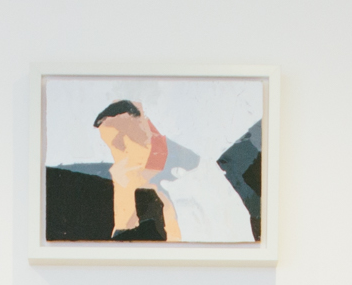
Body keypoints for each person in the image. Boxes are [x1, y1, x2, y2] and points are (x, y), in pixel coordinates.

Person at [90, 98, 253, 244]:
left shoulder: (197, 181)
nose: (118, 156)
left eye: (121, 142)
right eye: (112, 147)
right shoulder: (139, 185)